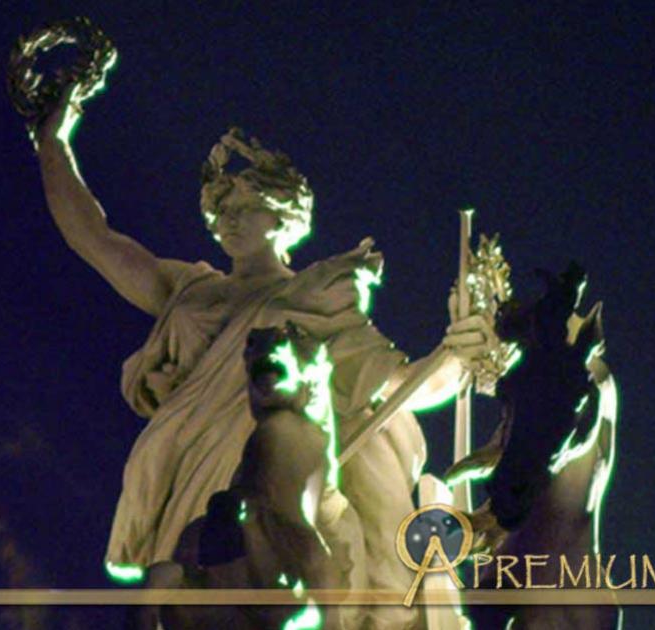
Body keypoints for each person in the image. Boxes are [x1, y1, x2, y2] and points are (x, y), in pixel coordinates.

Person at [32, 87, 494, 629]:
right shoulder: (188, 290)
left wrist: (456, 355)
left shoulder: (317, 298)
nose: (230, 218)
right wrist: (52, 140)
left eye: (247, 205)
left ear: (287, 216)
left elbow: (394, 387)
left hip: (269, 477)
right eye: (222, 207)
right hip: (182, 471)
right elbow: (93, 237)